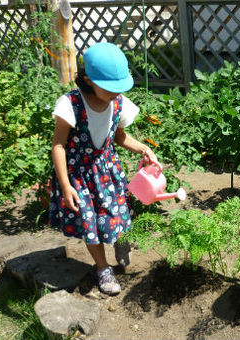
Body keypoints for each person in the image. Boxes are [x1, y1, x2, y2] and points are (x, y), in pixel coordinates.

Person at [49, 42, 157, 295]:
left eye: (119, 89)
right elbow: (58, 145)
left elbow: (119, 137)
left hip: (107, 171)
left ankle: (120, 241)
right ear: (88, 79)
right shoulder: (70, 105)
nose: (115, 94)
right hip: (78, 176)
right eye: (110, 88)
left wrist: (143, 148)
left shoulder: (118, 104)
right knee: (90, 224)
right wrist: (65, 185)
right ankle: (102, 268)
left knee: (116, 212)